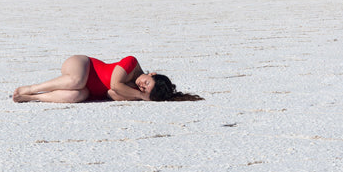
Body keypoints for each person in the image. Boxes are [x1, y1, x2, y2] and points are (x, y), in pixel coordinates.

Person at [12, 55, 202, 103]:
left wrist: (138, 95)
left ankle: (31, 98)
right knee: (77, 82)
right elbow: (114, 84)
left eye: (145, 89)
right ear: (151, 74)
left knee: (77, 96)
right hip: (82, 65)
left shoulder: (134, 93)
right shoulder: (131, 63)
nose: (141, 86)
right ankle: (31, 88)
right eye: (147, 82)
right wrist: (143, 96)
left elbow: (112, 93)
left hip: (87, 90)